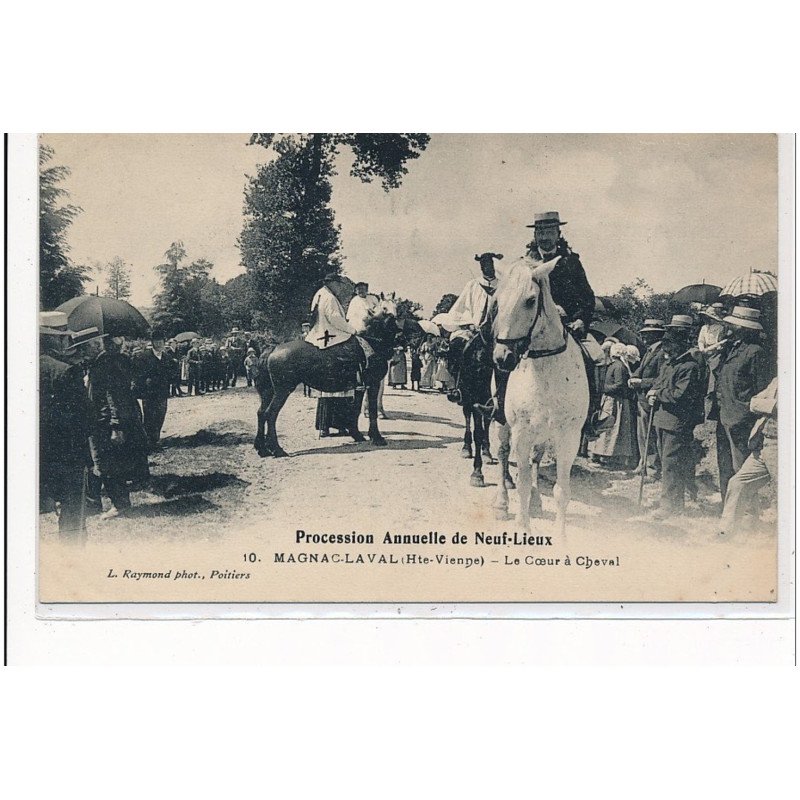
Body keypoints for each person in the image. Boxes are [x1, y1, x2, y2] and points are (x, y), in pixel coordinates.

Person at [39, 313, 99, 538]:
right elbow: (87, 419)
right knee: (73, 516)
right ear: (58, 340)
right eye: (66, 339)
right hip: (67, 455)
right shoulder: (65, 372)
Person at [86, 335, 150, 519]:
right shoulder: (115, 361)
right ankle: (108, 503)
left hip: (105, 422)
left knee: (106, 463)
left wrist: (115, 426)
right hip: (105, 420)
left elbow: (111, 396)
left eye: (89, 346)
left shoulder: (104, 364)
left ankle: (120, 505)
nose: (84, 351)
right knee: (105, 462)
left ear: (100, 345)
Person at [647, 318, 706, 518]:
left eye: (669, 349)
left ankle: (670, 506)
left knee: (672, 464)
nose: (666, 352)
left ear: (679, 347)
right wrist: (654, 390)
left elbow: (681, 395)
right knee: (667, 464)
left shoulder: (689, 367)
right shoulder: (669, 364)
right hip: (661, 419)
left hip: (676, 422)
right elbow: (658, 382)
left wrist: (658, 394)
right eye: (665, 349)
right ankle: (673, 502)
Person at [713, 306, 771, 503]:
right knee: (725, 465)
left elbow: (762, 390)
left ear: (745, 329)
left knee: (741, 471)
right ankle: (727, 509)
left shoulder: (755, 352)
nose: (728, 328)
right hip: (724, 416)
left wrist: (744, 413)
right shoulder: (730, 349)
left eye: (734, 325)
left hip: (741, 420)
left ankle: (746, 517)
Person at [719, 377, 777, 535]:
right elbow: (754, 402)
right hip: (764, 444)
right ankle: (727, 532)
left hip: (784, 447)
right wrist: (771, 406)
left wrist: (769, 405)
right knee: (738, 483)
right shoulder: (778, 380)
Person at [589, 342, 638, 469]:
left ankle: (606, 456)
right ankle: (607, 456)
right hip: (614, 401)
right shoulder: (619, 366)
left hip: (614, 400)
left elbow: (617, 384)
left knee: (610, 428)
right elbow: (619, 384)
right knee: (612, 428)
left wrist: (604, 388)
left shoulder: (616, 366)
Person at [629, 319, 667, 477]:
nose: (644, 337)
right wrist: (634, 378)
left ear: (656, 335)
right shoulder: (648, 351)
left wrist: (641, 382)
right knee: (641, 434)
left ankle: (652, 469)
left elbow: (661, 379)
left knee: (650, 434)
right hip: (641, 398)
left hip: (650, 400)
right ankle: (642, 463)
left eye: (647, 334)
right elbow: (640, 369)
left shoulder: (661, 353)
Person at [134, 329, 173, 451]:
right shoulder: (144, 356)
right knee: (150, 417)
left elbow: (171, 373)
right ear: (153, 342)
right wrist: (144, 386)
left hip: (162, 392)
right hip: (149, 393)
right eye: (157, 341)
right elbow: (139, 375)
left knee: (161, 415)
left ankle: (155, 440)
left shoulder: (167, 357)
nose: (159, 344)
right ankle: (149, 442)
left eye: (161, 341)